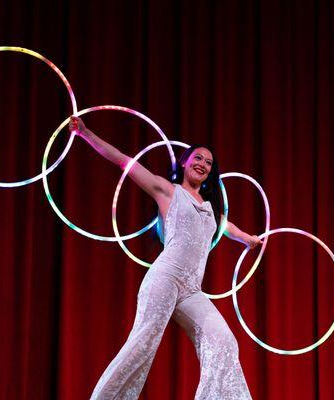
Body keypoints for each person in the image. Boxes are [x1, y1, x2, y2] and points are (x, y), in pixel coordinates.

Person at [69, 116, 261, 400]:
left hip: (192, 291)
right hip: (165, 277)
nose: (203, 165)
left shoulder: (210, 210)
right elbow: (125, 162)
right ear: (184, 162)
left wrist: (249, 239)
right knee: (142, 344)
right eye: (198, 158)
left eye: (208, 163)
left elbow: (227, 227)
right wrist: (86, 134)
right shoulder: (167, 191)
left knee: (224, 342)